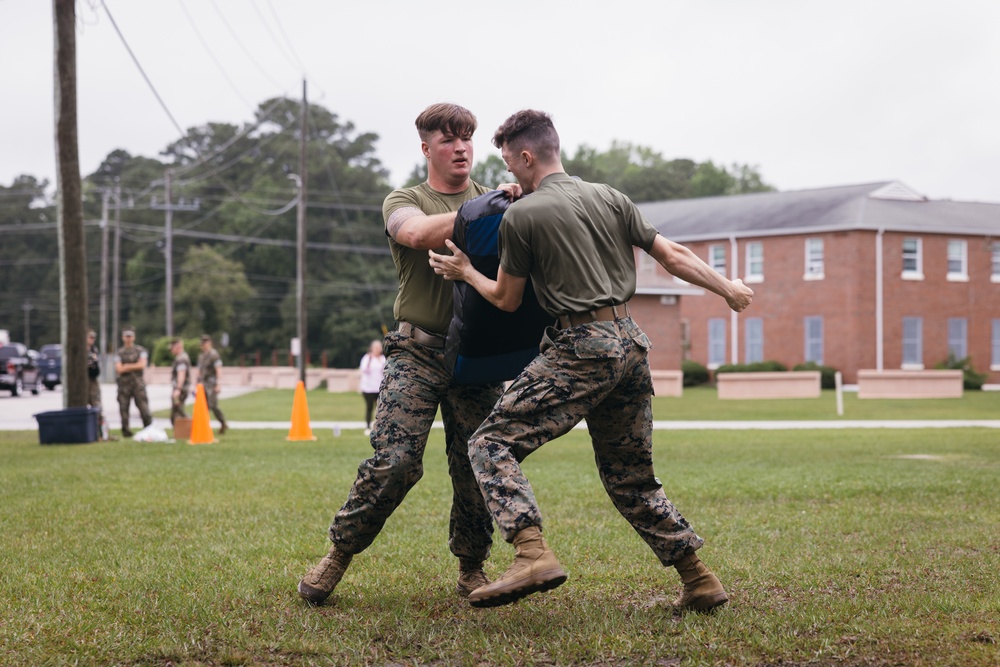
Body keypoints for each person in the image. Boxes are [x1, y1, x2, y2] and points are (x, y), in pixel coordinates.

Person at [428, 109, 754, 611]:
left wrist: (466, 271)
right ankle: (700, 579)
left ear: (527, 155)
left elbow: (506, 298)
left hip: (581, 346)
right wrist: (726, 287)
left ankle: (531, 553)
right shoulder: (609, 196)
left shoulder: (524, 216)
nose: (509, 175)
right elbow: (673, 254)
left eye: (511, 164)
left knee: (490, 442)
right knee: (631, 475)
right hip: (630, 342)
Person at [298, 102, 513, 606]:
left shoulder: (498, 196)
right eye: (448, 140)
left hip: (478, 356)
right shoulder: (405, 199)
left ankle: (472, 568)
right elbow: (415, 233)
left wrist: (522, 204)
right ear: (426, 148)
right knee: (394, 461)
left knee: (474, 464)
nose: (460, 148)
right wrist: (492, 210)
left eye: (467, 139)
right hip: (416, 352)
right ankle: (338, 553)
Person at [114, 327, 152, 438]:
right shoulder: (119, 352)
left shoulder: (140, 350)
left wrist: (126, 366)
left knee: (143, 408)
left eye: (130, 336)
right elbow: (119, 369)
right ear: (123, 338)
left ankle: (149, 429)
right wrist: (134, 365)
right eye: (126, 336)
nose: (128, 338)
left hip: (138, 385)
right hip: (123, 386)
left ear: (134, 337)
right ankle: (126, 432)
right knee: (124, 409)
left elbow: (142, 365)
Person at [196, 334, 228, 435]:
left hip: (212, 384)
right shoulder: (201, 356)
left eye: (205, 342)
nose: (203, 345)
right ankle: (204, 426)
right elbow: (200, 371)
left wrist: (219, 383)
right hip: (203, 384)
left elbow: (218, 369)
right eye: (202, 343)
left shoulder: (214, 355)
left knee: (213, 405)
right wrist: (197, 383)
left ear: (210, 343)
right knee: (204, 407)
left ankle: (223, 422)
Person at [358, 339, 386, 436]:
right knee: (369, 407)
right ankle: (367, 426)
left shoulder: (383, 359)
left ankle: (378, 426)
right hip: (368, 388)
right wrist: (370, 360)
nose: (378, 349)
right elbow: (364, 370)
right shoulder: (367, 358)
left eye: (379, 347)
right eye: (376, 347)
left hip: (379, 387)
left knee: (380, 408)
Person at [86, 328, 109, 440]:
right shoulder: (80, 350)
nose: (92, 340)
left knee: (98, 409)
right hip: (83, 382)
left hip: (93, 382)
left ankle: (101, 434)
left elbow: (96, 369)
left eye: (94, 337)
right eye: (90, 337)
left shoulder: (94, 350)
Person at [169, 337, 191, 426]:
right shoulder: (182, 357)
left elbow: (181, 374)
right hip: (181, 388)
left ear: (177, 347)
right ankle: (180, 432)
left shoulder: (181, 359)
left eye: (172, 348)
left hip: (181, 389)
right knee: (177, 411)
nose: (171, 350)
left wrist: (178, 389)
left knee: (177, 411)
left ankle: (193, 425)